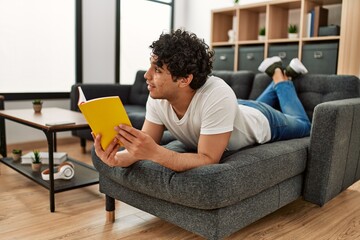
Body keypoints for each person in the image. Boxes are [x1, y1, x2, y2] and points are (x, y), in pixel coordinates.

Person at [93, 29, 311, 172]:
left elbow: (207, 158)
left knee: (304, 125)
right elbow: (143, 146)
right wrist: (116, 159)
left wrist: (155, 152)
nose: (147, 76)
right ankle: (281, 77)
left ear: (185, 79)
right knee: (239, 107)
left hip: (263, 120)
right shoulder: (158, 97)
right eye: (151, 66)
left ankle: (281, 77)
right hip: (233, 112)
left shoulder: (217, 94)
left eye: (157, 70)